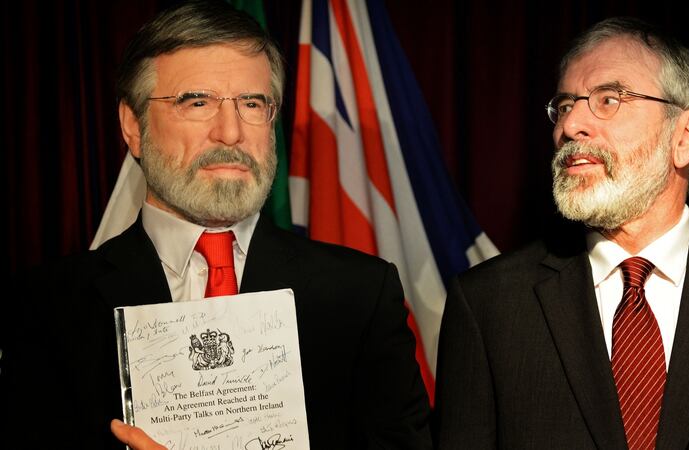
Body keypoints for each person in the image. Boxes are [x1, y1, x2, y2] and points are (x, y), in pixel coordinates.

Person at [0, 1, 431, 449]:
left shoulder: (361, 293)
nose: (230, 132)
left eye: (251, 102)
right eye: (197, 101)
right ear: (133, 125)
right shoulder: (48, 305)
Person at [433, 16, 689, 449]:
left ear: (685, 135)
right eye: (566, 105)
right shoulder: (488, 304)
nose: (570, 126)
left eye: (608, 99)